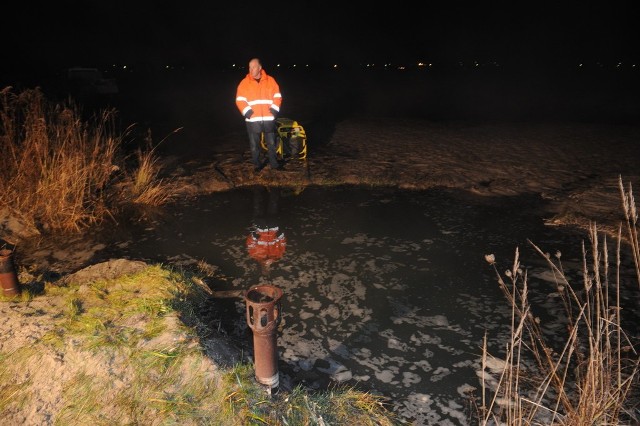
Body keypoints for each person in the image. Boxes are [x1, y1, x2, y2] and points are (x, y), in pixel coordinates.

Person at [235, 58, 283, 172]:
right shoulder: (244, 83)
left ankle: (274, 164)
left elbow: (277, 96)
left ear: (260, 68)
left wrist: (274, 111)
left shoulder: (271, 80)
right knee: (254, 145)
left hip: (268, 118)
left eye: (254, 67)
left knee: (271, 143)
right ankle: (257, 165)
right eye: (249, 67)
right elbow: (239, 100)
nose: (251, 70)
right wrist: (248, 113)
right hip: (252, 120)